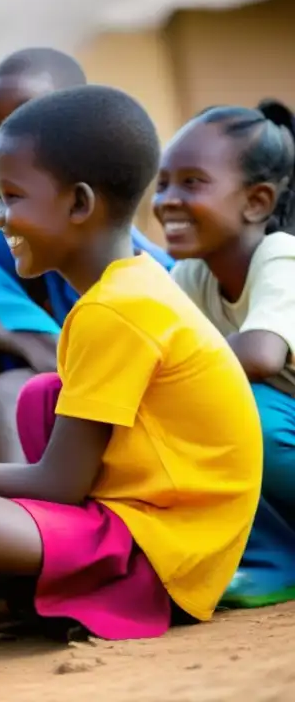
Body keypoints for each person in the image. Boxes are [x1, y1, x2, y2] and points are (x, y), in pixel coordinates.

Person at [0, 86, 261, 641]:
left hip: (165, 555)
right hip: (152, 528)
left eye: (12, 196)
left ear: (80, 204)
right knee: (40, 396)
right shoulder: (128, 288)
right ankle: (39, 592)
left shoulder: (117, 311)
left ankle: (58, 593)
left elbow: (59, 483)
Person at [0, 49, 172, 464]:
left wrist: (54, 354)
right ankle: (0, 498)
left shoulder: (145, 267)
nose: (7, 133)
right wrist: (39, 346)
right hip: (60, 380)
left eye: (27, 116)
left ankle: (24, 516)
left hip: (126, 400)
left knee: (7, 395)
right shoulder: (6, 244)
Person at [154, 100, 295, 609]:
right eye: (163, 182)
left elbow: (260, 355)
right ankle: (258, 552)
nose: (168, 199)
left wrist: (162, 376)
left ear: (256, 202)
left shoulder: (282, 257)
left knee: (232, 405)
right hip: (279, 450)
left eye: (192, 183)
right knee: (179, 413)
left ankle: (278, 560)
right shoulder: (189, 276)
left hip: (275, 429)